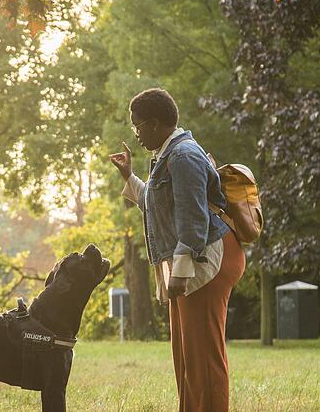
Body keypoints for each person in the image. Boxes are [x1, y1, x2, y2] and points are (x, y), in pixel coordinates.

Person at [108, 88, 246, 411]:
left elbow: (193, 216)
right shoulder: (168, 156)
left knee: (203, 359)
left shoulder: (184, 156)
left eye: (137, 126)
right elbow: (156, 205)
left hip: (206, 258)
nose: (136, 134)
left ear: (155, 124)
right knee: (186, 360)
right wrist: (129, 176)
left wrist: (180, 272)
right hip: (192, 259)